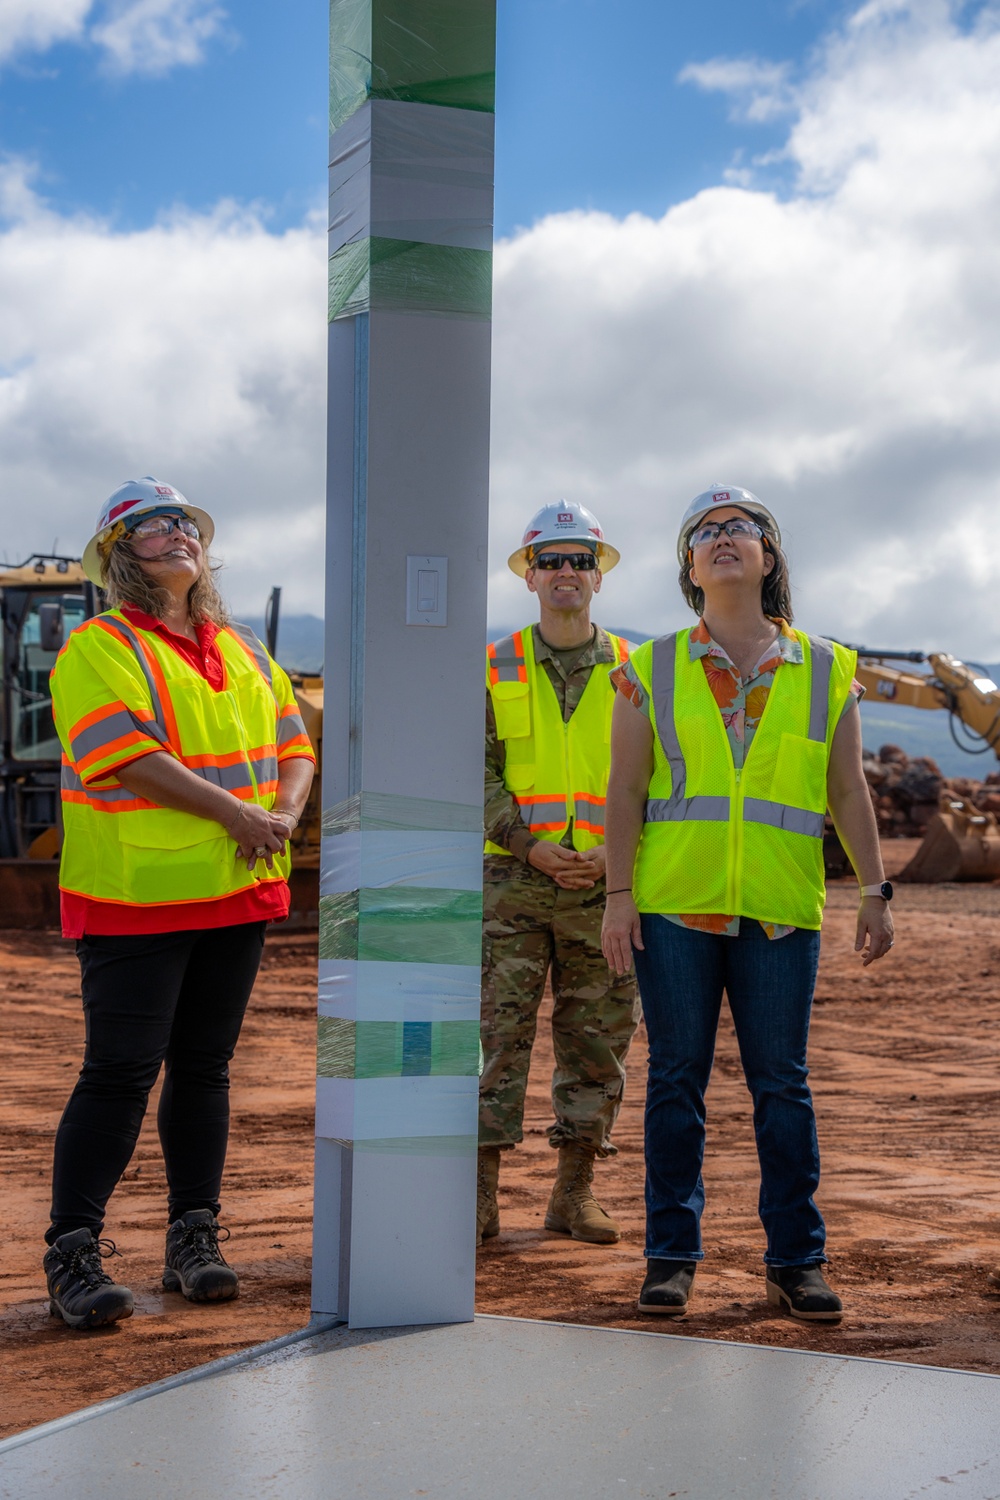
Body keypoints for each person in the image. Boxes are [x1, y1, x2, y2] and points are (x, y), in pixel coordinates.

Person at [602, 486, 894, 1321]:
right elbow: (625, 791)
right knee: (675, 1084)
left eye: (743, 529)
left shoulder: (828, 667)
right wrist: (619, 896)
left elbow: (848, 788)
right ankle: (670, 1259)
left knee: (782, 1087)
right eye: (706, 532)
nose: (725, 539)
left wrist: (875, 889)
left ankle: (797, 1261)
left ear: (768, 557)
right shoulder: (647, 670)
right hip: (674, 907)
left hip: (778, 909)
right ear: (690, 567)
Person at [43, 477, 316, 1330]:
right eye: (153, 526)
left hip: (235, 891)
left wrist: (284, 816)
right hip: (138, 894)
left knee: (204, 1070)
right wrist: (241, 814)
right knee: (119, 1074)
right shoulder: (97, 647)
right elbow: (123, 757)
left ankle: (193, 1238)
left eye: (184, 524)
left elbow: (293, 741)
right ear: (121, 555)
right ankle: (72, 1253)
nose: (176, 534)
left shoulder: (238, 649)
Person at [479, 502, 640, 1248]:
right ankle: (476, 1200)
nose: (566, 572)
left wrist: (617, 854)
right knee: (491, 1040)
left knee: (597, 1037)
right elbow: (472, 767)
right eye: (552, 560)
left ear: (597, 575)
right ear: (530, 574)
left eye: (580, 559)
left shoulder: (638, 672)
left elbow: (666, 772)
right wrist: (523, 842)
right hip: (512, 883)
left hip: (605, 889)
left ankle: (573, 1195)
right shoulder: (491, 664)